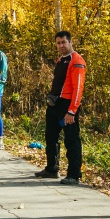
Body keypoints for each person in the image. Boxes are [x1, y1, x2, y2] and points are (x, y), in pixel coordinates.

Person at [35, 31, 86, 185]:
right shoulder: (60, 60)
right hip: (55, 104)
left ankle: (74, 174)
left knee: (71, 140)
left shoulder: (76, 60)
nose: (61, 45)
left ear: (70, 42)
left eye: (64, 42)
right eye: (58, 43)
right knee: (50, 137)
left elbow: (78, 88)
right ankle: (52, 168)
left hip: (67, 105)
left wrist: (72, 111)